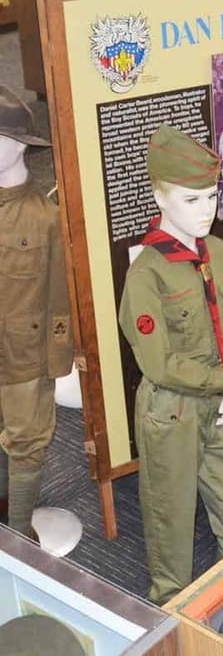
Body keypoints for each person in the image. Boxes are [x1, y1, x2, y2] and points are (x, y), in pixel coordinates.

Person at [118, 126, 223, 604]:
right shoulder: (146, 274)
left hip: (219, 407)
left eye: (212, 198)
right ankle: (171, 623)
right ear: (160, 195)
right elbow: (158, 364)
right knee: (171, 532)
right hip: (172, 413)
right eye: (191, 200)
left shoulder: (216, 253)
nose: (206, 212)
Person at [0, 87, 73, 541]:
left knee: (26, 443)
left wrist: (57, 362)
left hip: (24, 358)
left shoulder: (44, 218)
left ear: (20, 144)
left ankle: (19, 533)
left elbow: (60, 298)